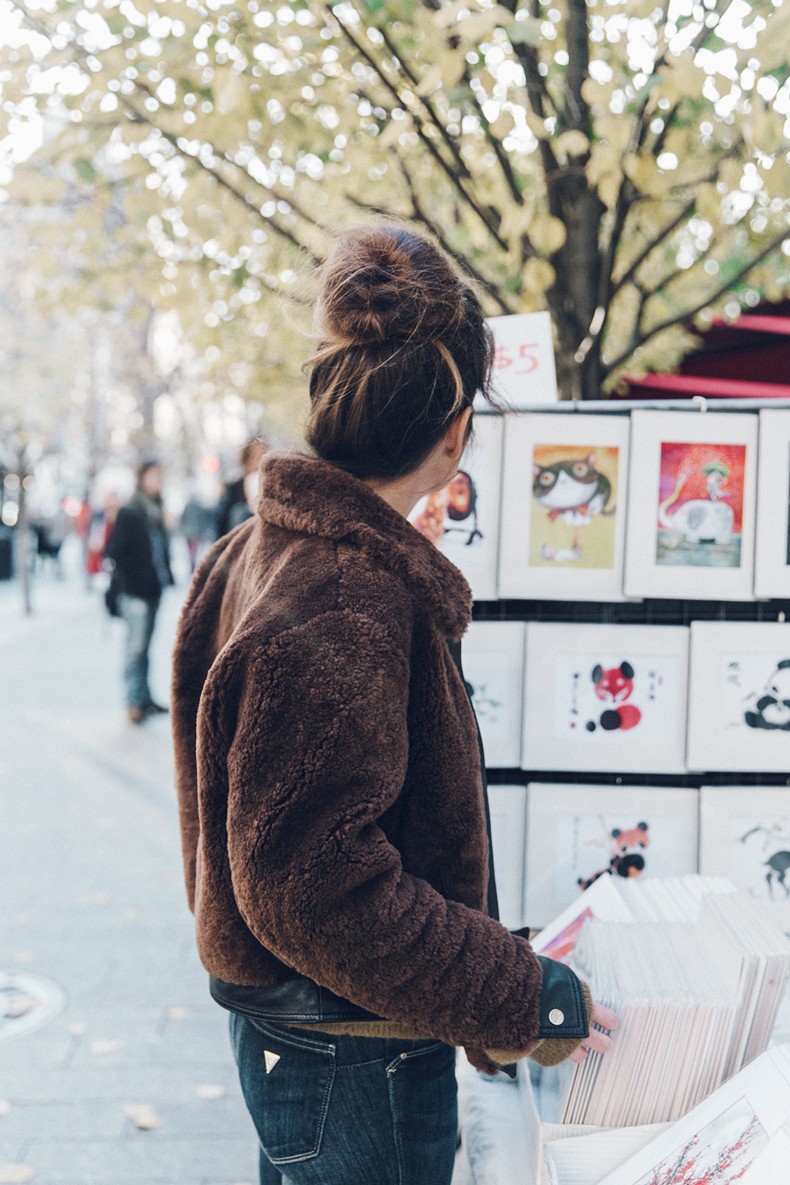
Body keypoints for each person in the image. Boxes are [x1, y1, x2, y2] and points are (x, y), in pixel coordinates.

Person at [171, 225, 618, 1185]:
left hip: (322, 1038)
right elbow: (313, 884)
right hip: (353, 1046)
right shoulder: (343, 599)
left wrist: (396, 557)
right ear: (453, 431)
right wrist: (521, 991)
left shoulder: (267, 551)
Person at [105, 460, 173, 724]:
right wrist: (137, 576)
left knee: (145, 647)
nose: (159, 481)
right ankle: (134, 701)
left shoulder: (154, 509)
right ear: (142, 478)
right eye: (154, 476)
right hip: (135, 592)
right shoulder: (131, 511)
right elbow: (114, 552)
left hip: (153, 589)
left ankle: (144, 699)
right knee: (135, 648)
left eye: (161, 476)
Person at [215, 438, 267, 537]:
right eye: (255, 457)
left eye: (262, 456)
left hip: (260, 527)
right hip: (239, 531)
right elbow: (223, 516)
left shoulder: (269, 483)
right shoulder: (234, 484)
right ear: (246, 459)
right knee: (239, 512)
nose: (258, 462)